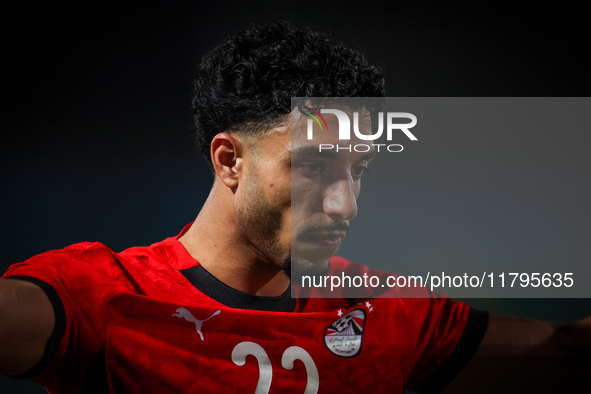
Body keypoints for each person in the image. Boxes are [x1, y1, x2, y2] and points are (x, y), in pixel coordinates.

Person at [0, 21, 589, 394]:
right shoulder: (101, 296)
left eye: (357, 171)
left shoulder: (384, 307)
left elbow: (564, 351)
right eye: (313, 168)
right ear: (229, 160)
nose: (346, 205)